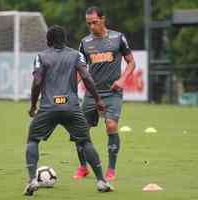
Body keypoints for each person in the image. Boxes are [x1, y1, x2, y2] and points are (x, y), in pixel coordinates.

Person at [23, 25, 114, 196]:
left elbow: (36, 82)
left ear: (48, 40)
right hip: (71, 107)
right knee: (85, 142)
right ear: (64, 39)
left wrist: (33, 105)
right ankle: (102, 181)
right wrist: (98, 100)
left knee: (33, 140)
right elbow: (86, 77)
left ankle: (32, 180)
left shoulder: (41, 56)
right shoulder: (76, 55)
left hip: (48, 107)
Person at [73, 6, 136, 181]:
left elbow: (131, 62)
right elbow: (80, 69)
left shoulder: (118, 38)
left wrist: (123, 80)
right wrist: (71, 88)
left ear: (103, 19)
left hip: (112, 93)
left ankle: (111, 169)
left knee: (111, 126)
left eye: (94, 22)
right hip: (91, 94)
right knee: (81, 131)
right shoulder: (85, 43)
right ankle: (83, 167)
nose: (92, 26)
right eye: (88, 24)